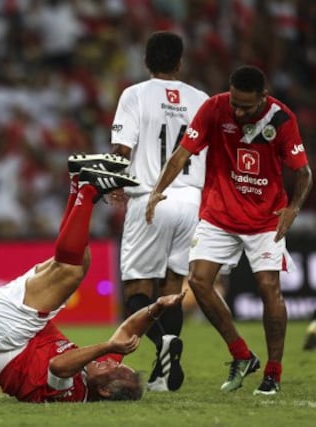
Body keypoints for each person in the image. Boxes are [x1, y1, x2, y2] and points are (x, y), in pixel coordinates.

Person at [146, 65, 313, 395]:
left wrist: (293, 208)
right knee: (198, 281)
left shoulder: (281, 119)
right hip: (218, 215)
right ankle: (241, 354)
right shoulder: (214, 108)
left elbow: (304, 172)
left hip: (266, 219)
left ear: (263, 98)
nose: (238, 111)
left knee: (269, 288)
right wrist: (157, 190)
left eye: (246, 106)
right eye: (235, 103)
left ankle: (273, 373)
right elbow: (182, 154)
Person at [0, 152, 186, 403]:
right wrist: (156, 308)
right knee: (80, 262)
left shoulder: (74, 392)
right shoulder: (100, 368)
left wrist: (108, 347)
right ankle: (78, 182)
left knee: (70, 271)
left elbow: (57, 366)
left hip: (6, 336)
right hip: (24, 331)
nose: (110, 361)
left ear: (105, 390)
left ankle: (87, 191)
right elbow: (128, 330)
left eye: (114, 369)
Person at [110, 31, 210, 392]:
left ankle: (164, 345)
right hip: (191, 202)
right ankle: (166, 373)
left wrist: (114, 182)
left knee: (137, 290)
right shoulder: (201, 99)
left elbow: (122, 147)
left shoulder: (134, 95)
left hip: (152, 198)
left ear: (146, 61)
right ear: (180, 62)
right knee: (172, 286)